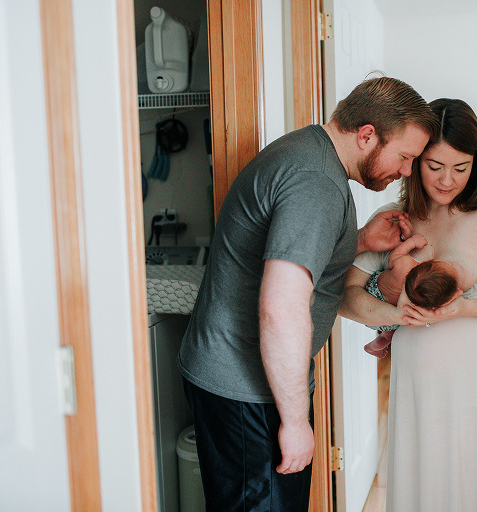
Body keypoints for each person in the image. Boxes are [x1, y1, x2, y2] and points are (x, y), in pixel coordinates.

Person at [177, 76, 439, 512]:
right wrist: (296, 422)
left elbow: (276, 254)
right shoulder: (317, 182)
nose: (407, 170)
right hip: (247, 391)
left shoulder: (306, 150)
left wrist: (354, 242)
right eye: (405, 156)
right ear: (367, 135)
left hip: (233, 376)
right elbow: (281, 308)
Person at [339, 98, 477, 512]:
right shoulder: (393, 220)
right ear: (415, 159)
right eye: (434, 166)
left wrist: (464, 310)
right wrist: (398, 315)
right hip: (417, 391)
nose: (446, 180)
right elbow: (345, 297)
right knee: (426, 488)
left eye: (461, 168)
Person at [361, 233, 461, 358]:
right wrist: (455, 294)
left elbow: (395, 254)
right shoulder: (414, 303)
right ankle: (375, 345)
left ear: (422, 263)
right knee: (390, 334)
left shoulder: (404, 264)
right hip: (385, 322)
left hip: (368, 297)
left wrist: (412, 242)